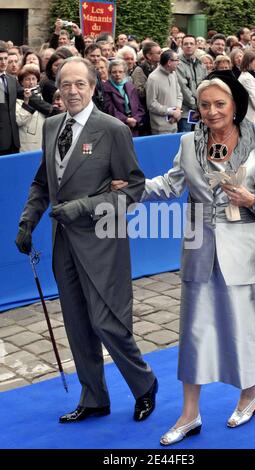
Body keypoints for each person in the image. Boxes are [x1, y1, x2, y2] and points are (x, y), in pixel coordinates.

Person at [114, 70, 255, 445]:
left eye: (219, 104)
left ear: (236, 106)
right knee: (194, 333)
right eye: (204, 105)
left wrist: (252, 199)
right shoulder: (189, 143)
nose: (211, 112)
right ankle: (190, 414)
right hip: (199, 247)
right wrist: (134, 188)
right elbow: (171, 184)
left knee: (245, 329)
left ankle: (248, 395)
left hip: (244, 250)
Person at [15, 56, 157, 424]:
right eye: (66, 84)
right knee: (77, 324)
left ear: (93, 87)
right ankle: (94, 397)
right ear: (57, 89)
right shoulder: (50, 127)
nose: (72, 91)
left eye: (80, 84)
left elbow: (134, 189)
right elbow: (43, 182)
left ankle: (144, 385)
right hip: (64, 243)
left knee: (107, 321)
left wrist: (84, 207)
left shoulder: (112, 130)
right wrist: (28, 220)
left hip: (103, 241)